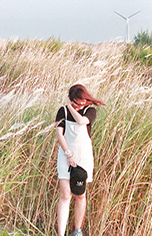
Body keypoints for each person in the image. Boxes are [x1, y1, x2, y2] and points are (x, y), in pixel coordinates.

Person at [55, 84, 105, 236]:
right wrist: (68, 154)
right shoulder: (62, 111)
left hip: (83, 156)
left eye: (82, 101)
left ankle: (77, 230)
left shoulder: (90, 111)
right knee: (65, 194)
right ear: (71, 100)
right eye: (76, 102)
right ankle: (60, 233)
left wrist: (72, 109)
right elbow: (59, 134)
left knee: (80, 194)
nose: (80, 104)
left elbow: (82, 122)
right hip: (65, 155)